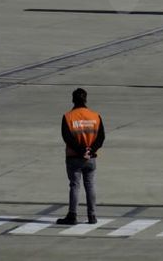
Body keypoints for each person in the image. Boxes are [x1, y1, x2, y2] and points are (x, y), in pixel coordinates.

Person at [58, 87, 104, 225]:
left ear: (73, 100)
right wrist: (90, 150)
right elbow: (101, 137)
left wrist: (80, 151)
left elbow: (67, 138)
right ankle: (92, 215)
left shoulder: (68, 117)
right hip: (91, 158)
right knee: (90, 185)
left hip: (74, 157)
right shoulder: (95, 116)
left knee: (75, 185)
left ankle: (72, 215)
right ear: (85, 99)